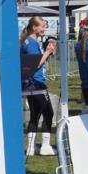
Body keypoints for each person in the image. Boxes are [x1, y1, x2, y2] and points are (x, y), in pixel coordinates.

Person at [19, 17, 56, 155]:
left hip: (31, 82)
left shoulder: (29, 41)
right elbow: (36, 63)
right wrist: (47, 52)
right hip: (35, 83)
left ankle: (31, 147)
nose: (44, 29)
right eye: (42, 26)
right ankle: (45, 146)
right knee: (48, 112)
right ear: (34, 27)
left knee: (35, 114)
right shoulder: (31, 43)